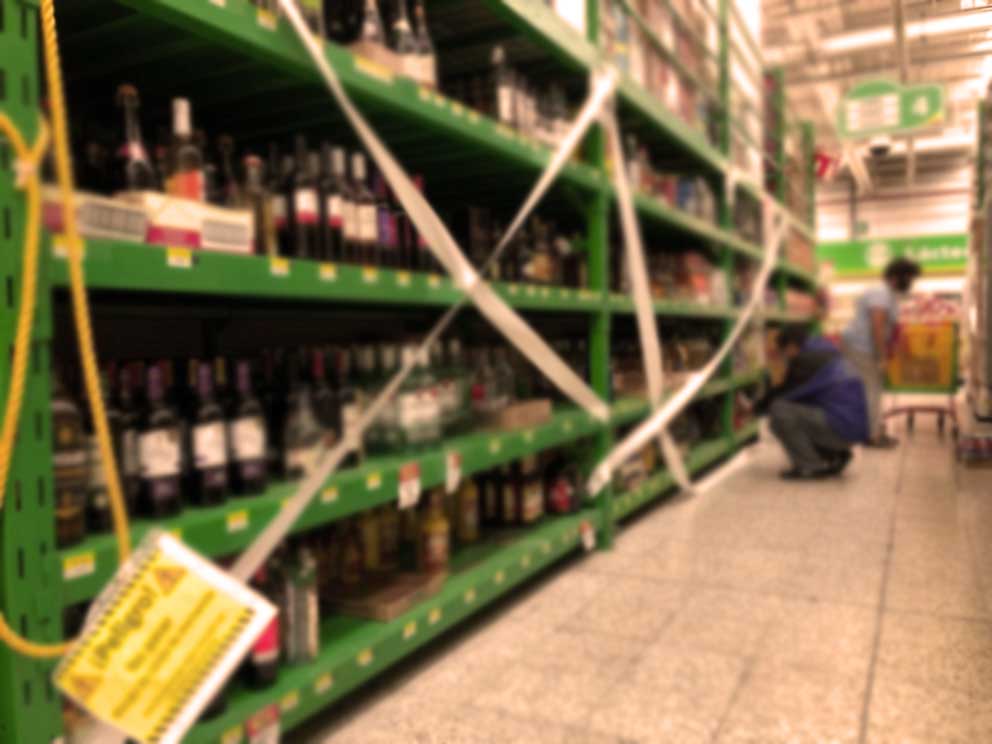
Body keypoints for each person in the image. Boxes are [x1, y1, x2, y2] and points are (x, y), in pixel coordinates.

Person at [756, 326, 869, 480]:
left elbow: (783, 393)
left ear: (791, 346)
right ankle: (834, 455)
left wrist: (755, 408)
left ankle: (810, 466)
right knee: (792, 413)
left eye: (784, 352)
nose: (786, 358)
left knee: (779, 411)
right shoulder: (824, 348)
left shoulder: (805, 360)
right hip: (851, 427)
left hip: (841, 427)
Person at [841, 257, 921, 448]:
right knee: (872, 389)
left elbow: (887, 327)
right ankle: (872, 435)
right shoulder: (881, 293)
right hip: (861, 347)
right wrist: (881, 357)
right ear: (896, 277)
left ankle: (872, 430)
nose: (910, 283)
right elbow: (877, 325)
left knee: (871, 389)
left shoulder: (887, 294)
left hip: (862, 346)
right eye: (909, 278)